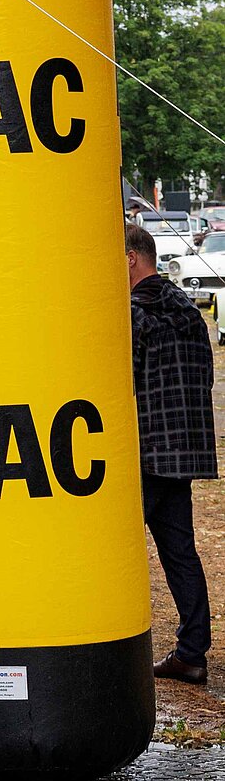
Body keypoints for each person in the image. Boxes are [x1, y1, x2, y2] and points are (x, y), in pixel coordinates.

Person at [128, 223, 217, 684]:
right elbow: (204, 377)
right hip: (182, 452)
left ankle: (109, 649)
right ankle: (191, 652)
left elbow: (121, 384)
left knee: (117, 551)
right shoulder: (186, 308)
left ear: (129, 259)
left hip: (143, 452)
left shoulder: (132, 314)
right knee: (181, 551)